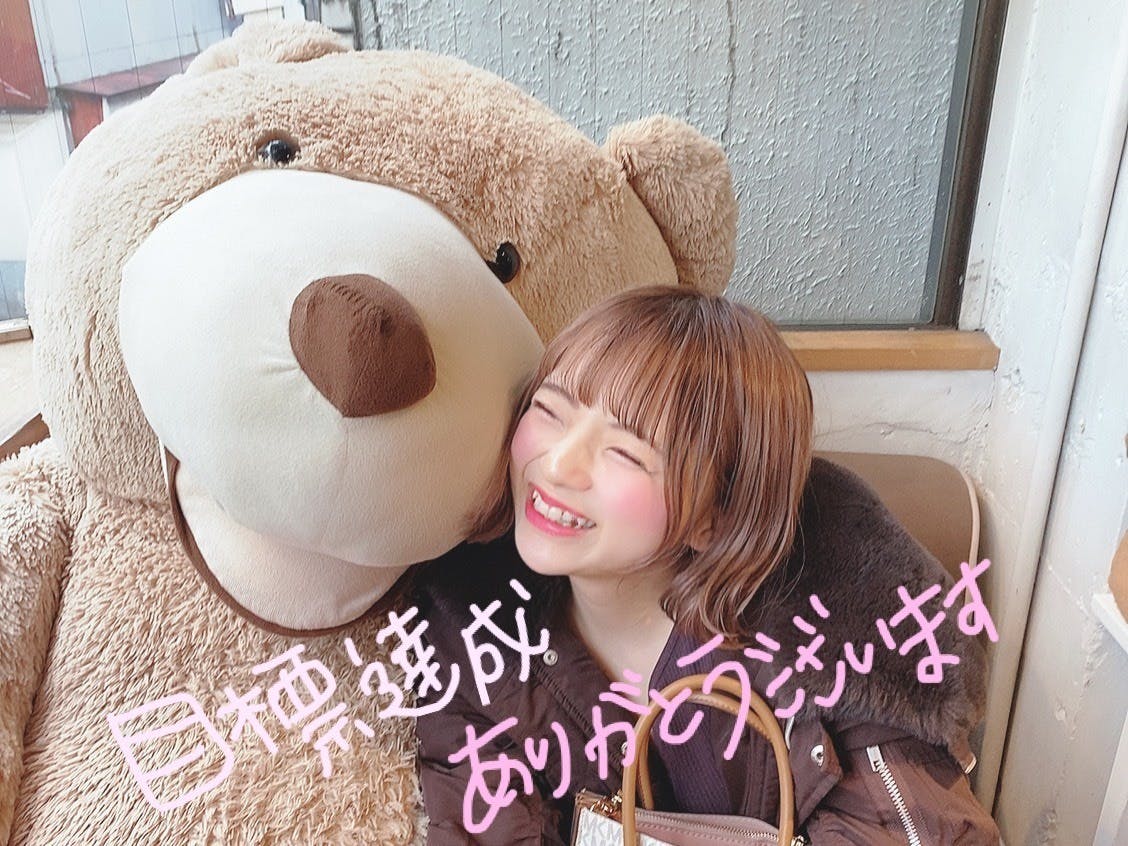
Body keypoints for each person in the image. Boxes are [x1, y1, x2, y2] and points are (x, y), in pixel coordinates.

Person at [412, 286, 1000, 845]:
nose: (558, 463)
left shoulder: (832, 655)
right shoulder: (473, 631)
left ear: (714, 517)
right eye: (550, 410)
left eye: (625, 452)